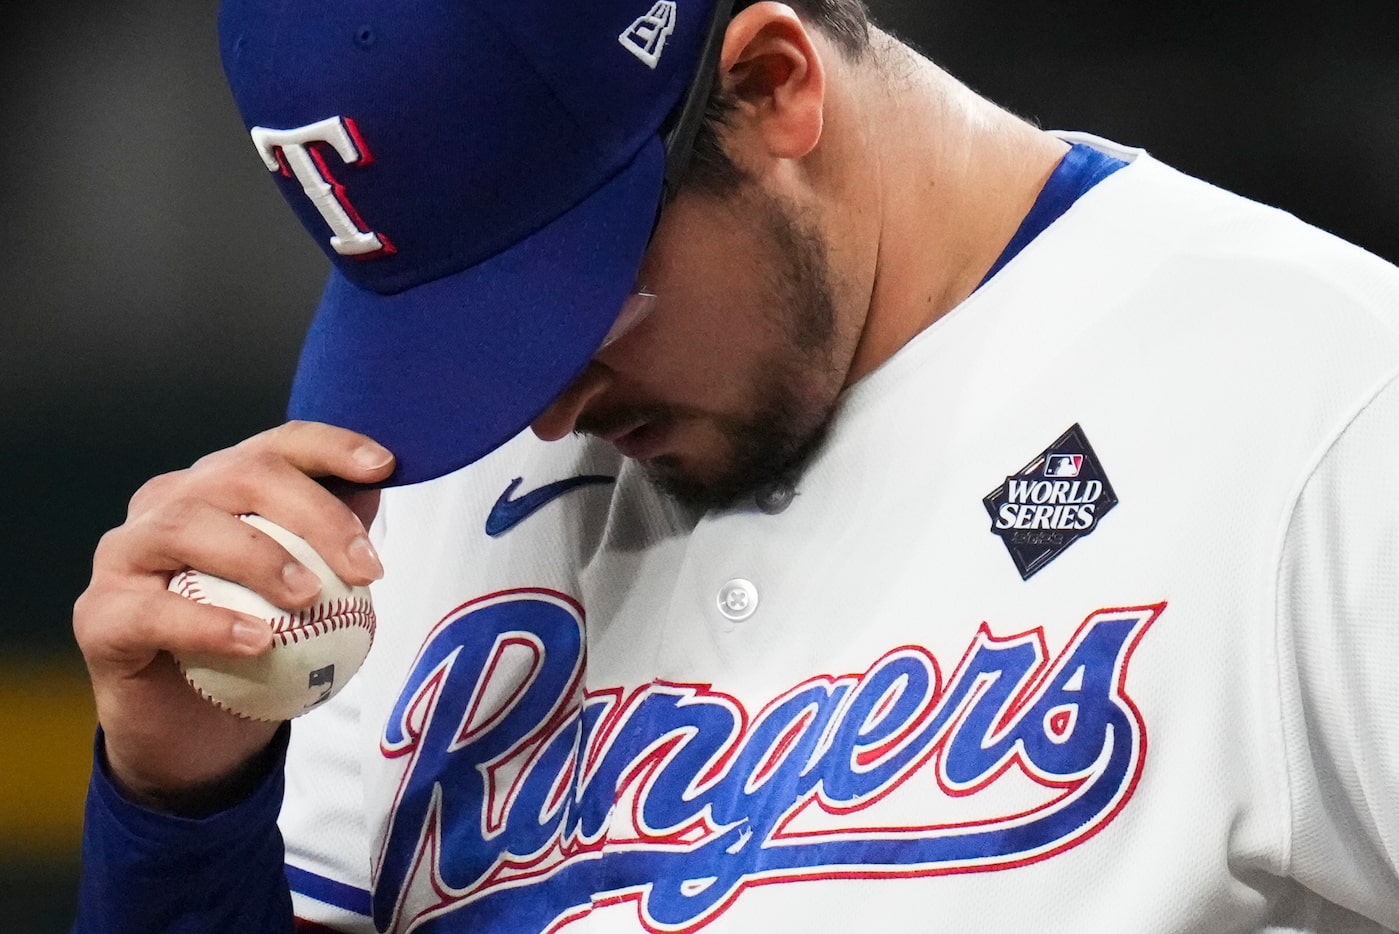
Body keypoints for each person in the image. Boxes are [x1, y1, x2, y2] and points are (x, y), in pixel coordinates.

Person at [71, 0, 1399, 929]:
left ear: (775, 86)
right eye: (459, 332)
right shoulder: (418, 495)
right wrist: (182, 806)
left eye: (571, 302)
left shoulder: (1325, 406)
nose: (536, 409)